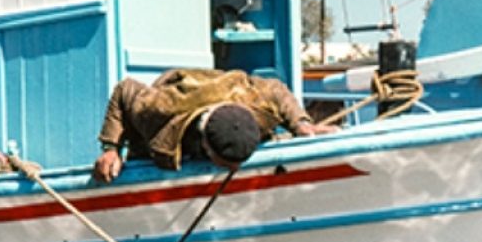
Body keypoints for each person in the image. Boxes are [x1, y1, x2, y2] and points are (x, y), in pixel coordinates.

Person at [91, 68, 333, 183]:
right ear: (207, 147)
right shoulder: (158, 108)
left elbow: (278, 89)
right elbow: (125, 89)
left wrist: (301, 124)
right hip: (175, 112)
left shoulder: (259, 101)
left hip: (228, 93)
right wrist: (111, 148)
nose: (234, 171)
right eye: (227, 165)